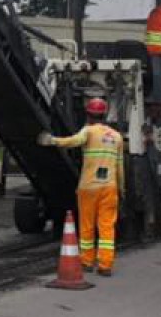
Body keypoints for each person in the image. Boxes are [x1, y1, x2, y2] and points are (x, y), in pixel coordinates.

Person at [38, 97, 125, 276]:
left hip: (89, 187)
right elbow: (120, 167)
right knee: (107, 226)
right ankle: (105, 265)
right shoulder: (117, 137)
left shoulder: (89, 131)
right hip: (109, 187)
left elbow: (73, 141)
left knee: (87, 225)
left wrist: (52, 140)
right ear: (104, 114)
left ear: (89, 115)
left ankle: (87, 261)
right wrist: (121, 188)